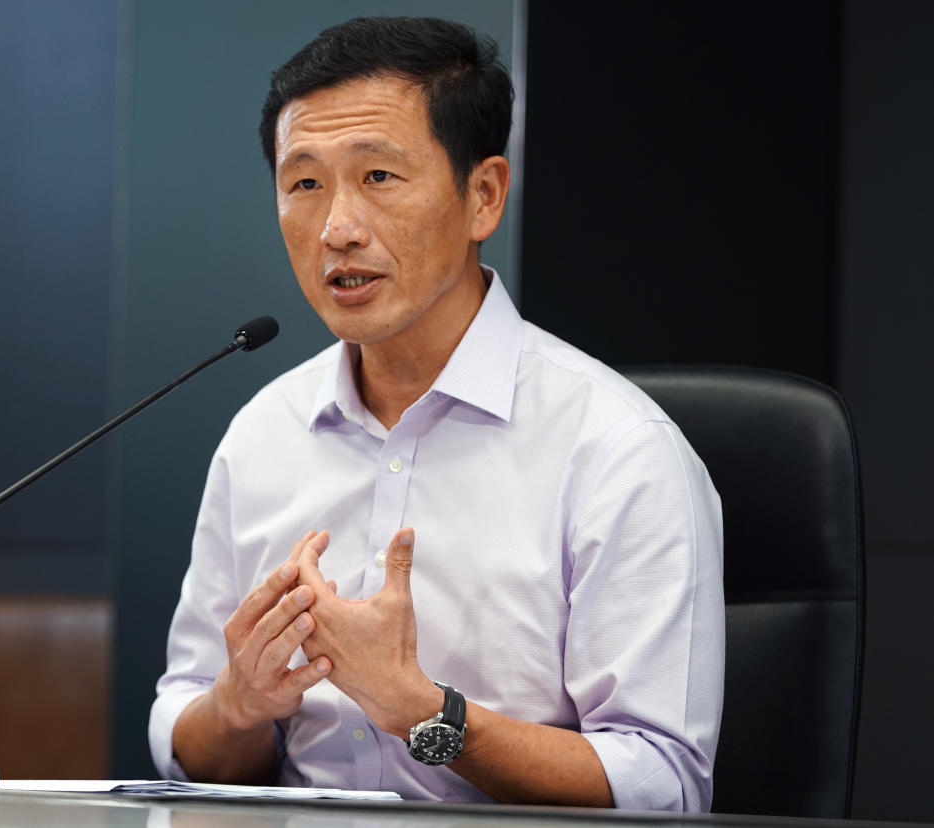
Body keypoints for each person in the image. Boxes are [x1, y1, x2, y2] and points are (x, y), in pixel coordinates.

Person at [148, 16, 724, 811]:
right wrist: (239, 707)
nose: (337, 230)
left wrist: (422, 713)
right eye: (304, 184)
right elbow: (184, 727)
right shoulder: (262, 435)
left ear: (482, 195)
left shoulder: (616, 448)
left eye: (378, 176)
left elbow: (663, 784)